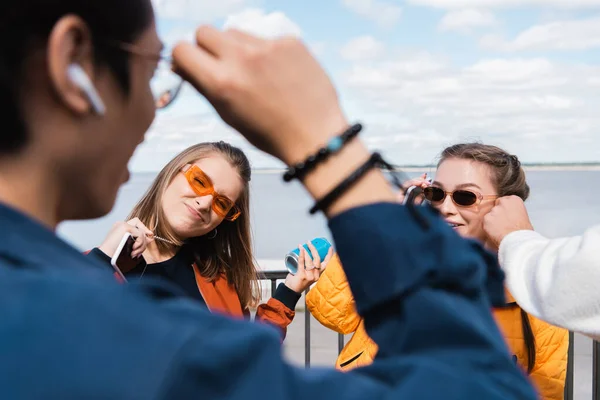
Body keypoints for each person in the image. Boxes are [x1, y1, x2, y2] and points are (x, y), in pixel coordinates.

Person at [0, 1, 537, 398]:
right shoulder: (128, 336)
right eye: (151, 74)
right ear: (72, 63)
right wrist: (326, 147)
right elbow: (481, 384)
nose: (152, 110)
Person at [307, 144, 568, 400]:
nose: (444, 207)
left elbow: (545, 392)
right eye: (437, 194)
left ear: (505, 207)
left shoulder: (535, 296)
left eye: (465, 197)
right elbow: (332, 314)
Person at [89, 141, 324, 336]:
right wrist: (102, 259)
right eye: (200, 181)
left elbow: (243, 358)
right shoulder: (87, 268)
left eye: (222, 204)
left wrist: (290, 290)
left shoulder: (220, 282)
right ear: (173, 172)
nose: (204, 203)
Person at [484, 192, 600, 341]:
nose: (446, 208)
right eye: (442, 195)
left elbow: (586, 277)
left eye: (466, 197)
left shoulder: (536, 314)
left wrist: (515, 237)